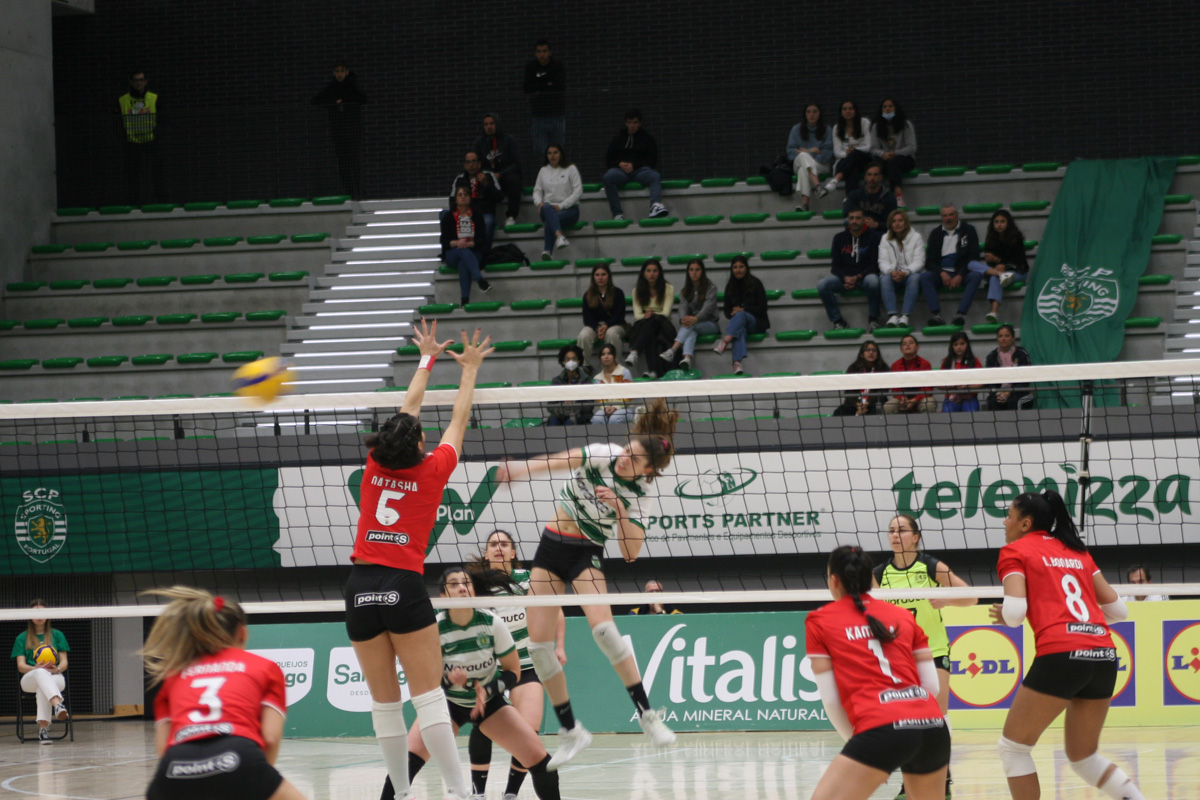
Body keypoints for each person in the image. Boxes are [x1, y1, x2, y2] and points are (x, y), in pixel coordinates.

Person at [341, 318, 492, 800]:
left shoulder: (373, 465)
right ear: (421, 446)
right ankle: (460, 793)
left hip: (360, 589)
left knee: (385, 705)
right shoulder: (433, 471)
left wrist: (425, 358)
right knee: (429, 699)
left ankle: (401, 795)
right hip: (401, 586)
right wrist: (469, 369)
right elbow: (458, 422)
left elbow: (406, 412)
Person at [493, 399, 681, 767]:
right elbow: (558, 461)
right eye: (627, 450)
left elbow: (630, 552)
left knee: (605, 632)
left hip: (585, 553)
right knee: (539, 648)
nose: (624, 458)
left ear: (647, 469)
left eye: (634, 459)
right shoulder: (602, 454)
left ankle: (647, 716)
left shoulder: (641, 495)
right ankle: (571, 731)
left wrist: (620, 508)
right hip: (550, 548)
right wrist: (519, 470)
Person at [989, 491, 1146, 800]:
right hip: (1104, 654)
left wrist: (1005, 617)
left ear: (1025, 523)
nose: (1005, 521)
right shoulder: (1078, 552)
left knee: (1013, 749)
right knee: (1084, 758)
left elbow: (1015, 613)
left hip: (1061, 654)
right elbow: (1119, 611)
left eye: (1009, 515)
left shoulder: (1014, 551)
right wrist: (1082, 625)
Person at [381, 567, 563, 800]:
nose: (461, 588)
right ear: (444, 596)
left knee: (543, 763)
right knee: (403, 767)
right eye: (454, 584)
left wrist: (487, 690)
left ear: (474, 591)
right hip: (445, 704)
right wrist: (448, 681)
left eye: (466, 583)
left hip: (489, 704)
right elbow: (422, 680)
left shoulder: (492, 623)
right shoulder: (434, 628)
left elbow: (513, 672)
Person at [806, 545, 950, 800]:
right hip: (933, 727)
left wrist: (864, 748)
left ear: (834, 580)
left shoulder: (819, 621)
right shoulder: (904, 616)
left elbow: (831, 700)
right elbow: (932, 687)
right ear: (869, 579)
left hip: (881, 729)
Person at [142, 587, 305, 800]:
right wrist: (254, 780)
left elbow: (163, 749)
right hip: (238, 755)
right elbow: (270, 738)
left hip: (176, 766)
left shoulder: (173, 676)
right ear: (243, 633)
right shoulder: (265, 668)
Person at [874, 515, 976, 799]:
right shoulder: (880, 573)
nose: (895, 535)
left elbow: (971, 597)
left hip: (935, 651)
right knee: (906, 720)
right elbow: (867, 608)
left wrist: (947, 599)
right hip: (900, 657)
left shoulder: (930, 566)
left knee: (937, 717)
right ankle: (909, 782)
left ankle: (943, 776)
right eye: (891, 531)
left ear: (916, 537)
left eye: (901, 530)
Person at [465, 530, 568, 800]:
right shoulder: (477, 584)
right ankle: (478, 793)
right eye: (493, 544)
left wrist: (559, 646)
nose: (498, 548)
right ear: (486, 553)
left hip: (525, 666)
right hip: (491, 668)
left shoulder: (528, 579)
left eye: (504, 544)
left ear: (513, 553)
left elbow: (556, 610)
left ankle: (510, 793)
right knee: (481, 725)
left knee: (529, 731)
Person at [13, 599, 69, 745]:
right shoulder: (22, 637)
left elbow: (64, 662)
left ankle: (43, 730)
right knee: (40, 674)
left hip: (55, 676)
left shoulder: (57, 635)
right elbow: (21, 666)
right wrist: (35, 668)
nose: (39, 616)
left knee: (42, 686)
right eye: (35, 613)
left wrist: (57, 669)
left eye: (42, 612)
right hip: (30, 677)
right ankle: (58, 705)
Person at [918, 205, 985, 327]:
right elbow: (930, 261)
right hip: (942, 273)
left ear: (957, 215)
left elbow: (974, 256)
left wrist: (960, 274)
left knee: (976, 276)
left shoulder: (969, 230)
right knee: (925, 277)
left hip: (963, 271)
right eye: (945, 216)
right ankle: (937, 315)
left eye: (951, 215)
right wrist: (941, 273)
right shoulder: (935, 233)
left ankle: (960, 314)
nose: (948, 218)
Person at [311, 60, 367, 199]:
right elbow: (316, 100)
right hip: (339, 131)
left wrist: (344, 103)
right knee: (343, 163)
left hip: (352, 129)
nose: (340, 74)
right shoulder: (332, 87)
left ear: (347, 72)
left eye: (342, 71)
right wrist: (333, 103)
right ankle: (350, 192)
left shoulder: (353, 86)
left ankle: (359, 192)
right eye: (337, 71)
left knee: (354, 161)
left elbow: (363, 98)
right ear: (334, 73)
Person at [820, 207, 883, 331]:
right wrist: (845, 278)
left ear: (864, 220)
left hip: (865, 277)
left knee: (874, 281)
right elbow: (835, 266)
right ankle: (838, 321)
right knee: (822, 285)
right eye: (851, 218)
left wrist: (857, 277)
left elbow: (875, 265)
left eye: (858, 218)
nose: (854, 221)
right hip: (845, 278)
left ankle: (873, 319)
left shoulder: (875, 237)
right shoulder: (839, 238)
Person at [603, 110, 668, 220]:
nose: (632, 126)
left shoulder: (647, 139)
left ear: (640, 123)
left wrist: (634, 165)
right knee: (608, 177)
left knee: (655, 176)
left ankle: (655, 205)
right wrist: (619, 164)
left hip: (640, 171)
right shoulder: (617, 139)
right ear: (625, 123)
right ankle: (617, 214)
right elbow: (608, 160)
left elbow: (652, 160)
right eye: (629, 123)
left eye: (635, 122)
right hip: (620, 171)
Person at [660, 258, 720, 372]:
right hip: (693, 324)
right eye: (691, 270)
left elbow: (708, 309)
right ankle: (687, 358)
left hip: (711, 324)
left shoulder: (711, 288)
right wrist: (683, 319)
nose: (694, 272)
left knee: (691, 325)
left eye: (697, 269)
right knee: (691, 331)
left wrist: (696, 318)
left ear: (702, 271)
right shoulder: (685, 291)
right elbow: (682, 307)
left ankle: (673, 350)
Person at [714, 255, 770, 375]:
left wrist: (743, 309)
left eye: (741, 267)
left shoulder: (756, 283)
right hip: (740, 324)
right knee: (739, 328)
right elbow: (727, 312)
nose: (738, 270)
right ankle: (737, 364)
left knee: (741, 315)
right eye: (735, 267)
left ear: (746, 268)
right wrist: (734, 312)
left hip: (756, 322)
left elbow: (762, 308)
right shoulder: (730, 286)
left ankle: (725, 341)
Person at [440, 186, 493, 307]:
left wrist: (469, 244)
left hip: (473, 252)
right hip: (453, 252)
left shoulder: (477, 216)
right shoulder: (448, 217)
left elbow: (481, 240)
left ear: (470, 198)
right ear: (455, 199)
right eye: (460, 195)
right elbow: (444, 241)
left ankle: (464, 300)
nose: (463, 197)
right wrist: (456, 243)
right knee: (461, 251)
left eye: (466, 194)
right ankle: (479, 279)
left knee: (463, 262)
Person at [118, 69, 164, 205]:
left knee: (157, 173)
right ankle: (134, 204)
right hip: (131, 142)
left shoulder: (154, 98)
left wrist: (157, 134)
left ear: (146, 81)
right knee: (132, 175)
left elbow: (163, 120)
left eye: (141, 80)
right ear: (131, 82)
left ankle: (160, 202)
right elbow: (116, 122)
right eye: (136, 80)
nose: (139, 83)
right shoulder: (122, 100)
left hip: (151, 141)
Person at [624, 259, 676, 378]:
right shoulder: (636, 291)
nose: (651, 274)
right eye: (648, 271)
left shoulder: (668, 288)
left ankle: (635, 352)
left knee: (654, 321)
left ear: (659, 272)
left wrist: (652, 314)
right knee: (650, 330)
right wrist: (645, 316)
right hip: (644, 323)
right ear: (643, 273)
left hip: (663, 324)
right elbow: (637, 315)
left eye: (655, 271)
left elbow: (666, 313)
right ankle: (653, 371)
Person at [978, 210, 1030, 324]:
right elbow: (990, 261)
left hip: (1017, 271)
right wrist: (995, 266)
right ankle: (994, 312)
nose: (999, 224)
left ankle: (994, 311)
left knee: (995, 278)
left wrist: (1000, 262)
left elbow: (1017, 260)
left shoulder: (1016, 238)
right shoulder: (990, 238)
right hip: (998, 272)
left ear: (1008, 223)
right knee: (978, 268)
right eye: (996, 222)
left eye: (1002, 221)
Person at [447, 151, 504, 255]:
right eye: (468, 162)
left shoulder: (489, 176)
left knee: (488, 222)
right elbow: (452, 200)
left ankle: (484, 254)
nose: (471, 165)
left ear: (479, 164)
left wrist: (486, 184)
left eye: (474, 161)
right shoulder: (459, 179)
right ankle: (452, 251)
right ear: (464, 165)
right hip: (464, 212)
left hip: (483, 212)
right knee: (445, 215)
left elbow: (499, 196)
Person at [533, 144, 582, 260]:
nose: (552, 156)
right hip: (548, 208)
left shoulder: (571, 168)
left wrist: (561, 206)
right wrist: (539, 203)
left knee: (549, 219)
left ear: (561, 154)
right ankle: (559, 236)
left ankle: (547, 251)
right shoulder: (543, 170)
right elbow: (537, 191)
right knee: (546, 208)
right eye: (549, 153)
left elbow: (578, 192)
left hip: (569, 210)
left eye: (555, 152)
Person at [472, 113, 523, 226]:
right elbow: (475, 164)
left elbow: (517, 164)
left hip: (506, 176)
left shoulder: (509, 140)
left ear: (497, 124)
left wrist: (501, 174)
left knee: (515, 179)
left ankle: (511, 216)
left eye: (491, 123)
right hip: (488, 178)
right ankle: (489, 217)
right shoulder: (479, 143)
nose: (489, 127)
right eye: (486, 124)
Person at [879, 208, 925, 327]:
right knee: (884, 279)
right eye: (894, 221)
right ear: (890, 224)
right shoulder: (885, 238)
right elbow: (882, 261)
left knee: (915, 278)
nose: (897, 223)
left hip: (910, 274)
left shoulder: (916, 237)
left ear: (905, 223)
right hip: (893, 275)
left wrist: (905, 272)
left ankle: (905, 316)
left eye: (900, 220)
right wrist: (891, 271)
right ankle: (893, 316)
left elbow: (919, 261)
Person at [524, 40, 566, 167]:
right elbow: (526, 88)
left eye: (544, 51)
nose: (542, 54)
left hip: (557, 115)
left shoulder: (557, 66)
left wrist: (538, 87)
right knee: (540, 150)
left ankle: (558, 172)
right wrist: (547, 84)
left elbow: (560, 86)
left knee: (558, 149)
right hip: (538, 116)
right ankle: (547, 171)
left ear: (550, 52)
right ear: (535, 53)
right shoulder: (531, 67)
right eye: (539, 51)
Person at [870, 99, 917, 207]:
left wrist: (895, 153)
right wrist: (883, 154)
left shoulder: (906, 125)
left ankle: (898, 196)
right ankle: (874, 196)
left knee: (893, 162)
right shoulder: (876, 126)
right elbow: (873, 148)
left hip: (904, 158)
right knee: (875, 167)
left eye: (890, 106)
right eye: (885, 107)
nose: (887, 109)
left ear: (896, 108)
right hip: (884, 158)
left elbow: (911, 147)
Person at [787, 103, 834, 211]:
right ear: (805, 114)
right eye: (808, 112)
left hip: (821, 164)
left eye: (815, 112)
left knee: (803, 169)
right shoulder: (796, 129)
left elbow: (826, 155)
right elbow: (790, 152)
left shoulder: (827, 130)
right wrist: (812, 151)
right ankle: (818, 186)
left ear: (819, 114)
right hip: (798, 161)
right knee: (803, 156)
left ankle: (805, 204)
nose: (811, 114)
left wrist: (806, 152)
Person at [822, 100, 874, 195]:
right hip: (846, 161)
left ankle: (836, 179)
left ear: (855, 110)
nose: (848, 111)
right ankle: (850, 198)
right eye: (845, 109)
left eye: (850, 108)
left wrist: (854, 150)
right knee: (853, 167)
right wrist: (846, 153)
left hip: (864, 159)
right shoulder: (837, 128)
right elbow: (837, 152)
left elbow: (868, 147)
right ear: (841, 112)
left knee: (855, 155)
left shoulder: (864, 123)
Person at [577, 264, 627, 360]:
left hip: (615, 325)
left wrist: (607, 325)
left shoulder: (618, 293)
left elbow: (619, 315)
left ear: (609, 276)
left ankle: (616, 364)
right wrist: (597, 328)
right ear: (593, 277)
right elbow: (587, 317)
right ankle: (584, 365)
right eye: (597, 275)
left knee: (611, 334)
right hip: (595, 326)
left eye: (603, 274)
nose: (600, 278)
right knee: (583, 336)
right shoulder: (588, 295)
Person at [831, 340, 891, 416]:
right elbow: (849, 391)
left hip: (874, 404)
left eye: (874, 350)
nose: (871, 352)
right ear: (862, 354)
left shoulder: (883, 368)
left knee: (877, 411)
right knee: (840, 411)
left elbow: (882, 392)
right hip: (855, 404)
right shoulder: (853, 368)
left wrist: (867, 404)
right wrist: (858, 405)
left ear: (878, 354)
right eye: (867, 350)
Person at [984, 325, 1033, 411]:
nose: (1003, 339)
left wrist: (1010, 392)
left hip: (1019, 392)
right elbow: (989, 380)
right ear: (997, 339)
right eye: (1000, 336)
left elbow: (1025, 379)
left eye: (1007, 336)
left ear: (1013, 338)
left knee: (1013, 402)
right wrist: (998, 393)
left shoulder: (1022, 354)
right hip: (998, 392)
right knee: (992, 401)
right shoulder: (992, 356)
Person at [883, 335, 934, 414]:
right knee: (888, 407)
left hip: (921, 398)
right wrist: (901, 398)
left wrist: (915, 399)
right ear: (901, 349)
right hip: (902, 399)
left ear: (917, 347)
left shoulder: (925, 364)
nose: (907, 345)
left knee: (929, 404)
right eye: (904, 344)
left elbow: (928, 388)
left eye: (911, 343)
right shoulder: (895, 365)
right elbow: (895, 388)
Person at [547, 345, 595, 426]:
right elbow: (550, 406)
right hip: (560, 414)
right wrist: (564, 406)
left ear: (579, 361)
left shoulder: (586, 380)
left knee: (571, 421)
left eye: (574, 359)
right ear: (563, 362)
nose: (571, 362)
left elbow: (589, 406)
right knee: (553, 420)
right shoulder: (556, 381)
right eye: (567, 359)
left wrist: (573, 405)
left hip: (581, 415)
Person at [843, 163, 897, 230]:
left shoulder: (889, 197)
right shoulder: (855, 194)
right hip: (860, 228)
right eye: (869, 175)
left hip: (879, 231)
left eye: (875, 175)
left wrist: (876, 225)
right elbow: (846, 212)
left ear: (880, 177)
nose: (872, 178)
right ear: (865, 177)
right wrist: (863, 220)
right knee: (847, 220)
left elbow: (892, 222)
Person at [591, 343, 635, 425]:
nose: (606, 356)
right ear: (600, 358)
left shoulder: (624, 372)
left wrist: (615, 407)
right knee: (597, 419)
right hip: (606, 409)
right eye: (603, 354)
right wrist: (605, 407)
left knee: (614, 419)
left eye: (609, 353)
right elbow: (599, 399)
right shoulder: (597, 378)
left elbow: (628, 396)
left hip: (625, 408)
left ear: (614, 356)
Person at [939, 332, 983, 412]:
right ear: (952, 346)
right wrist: (950, 386)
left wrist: (967, 386)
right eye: (956, 345)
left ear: (967, 344)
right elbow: (939, 384)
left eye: (962, 344)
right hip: (951, 399)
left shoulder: (974, 361)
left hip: (970, 398)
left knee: (971, 412)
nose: (959, 347)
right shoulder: (946, 362)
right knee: (948, 411)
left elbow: (982, 383)